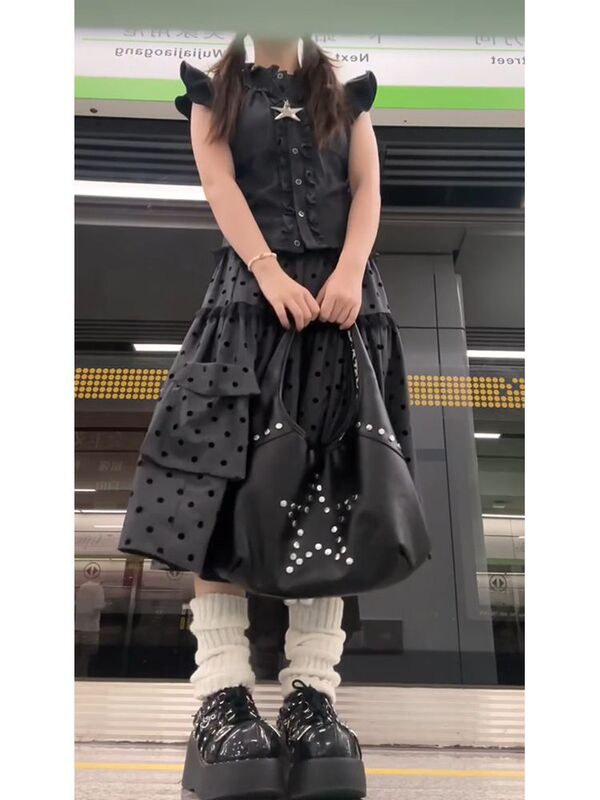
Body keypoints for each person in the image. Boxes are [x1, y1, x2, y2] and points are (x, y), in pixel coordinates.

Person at [118, 32, 416, 800]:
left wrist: (349, 271)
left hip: (342, 308)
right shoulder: (213, 92)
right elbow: (219, 184)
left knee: (333, 492)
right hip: (248, 304)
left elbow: (367, 189)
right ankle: (223, 696)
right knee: (212, 490)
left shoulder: (347, 96)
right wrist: (268, 271)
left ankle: (313, 697)